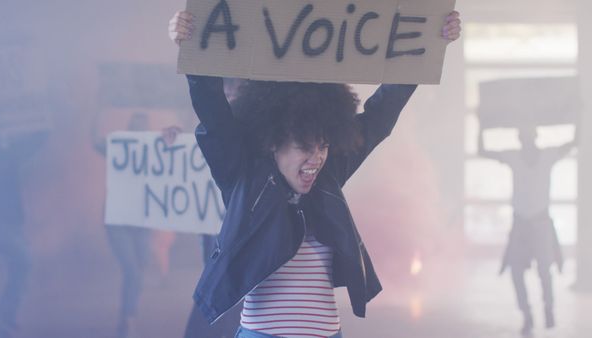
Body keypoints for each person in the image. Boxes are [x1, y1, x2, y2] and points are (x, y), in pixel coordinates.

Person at [170, 10, 461, 338]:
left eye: (324, 145)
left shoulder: (329, 175)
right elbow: (212, 110)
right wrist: (192, 43)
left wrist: (427, 46)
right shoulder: (243, 177)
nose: (317, 158)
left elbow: (382, 113)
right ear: (272, 142)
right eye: (305, 146)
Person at [478, 125, 577, 335]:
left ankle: (548, 309)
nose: (526, 140)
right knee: (518, 272)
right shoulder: (514, 157)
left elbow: (574, 142)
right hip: (522, 224)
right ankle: (528, 314)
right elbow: (482, 151)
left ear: (534, 137)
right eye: (524, 136)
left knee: (544, 271)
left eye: (528, 136)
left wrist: (579, 115)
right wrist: (481, 125)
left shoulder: (547, 155)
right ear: (521, 139)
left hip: (539, 224)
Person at [0, 114, 48, 338]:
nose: (6, 137)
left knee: (22, 267)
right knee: (24, 261)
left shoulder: (9, 155)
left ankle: (6, 317)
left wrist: (44, 127)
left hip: (10, 222)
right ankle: (3, 312)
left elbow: (32, 146)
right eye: (1, 135)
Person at [92, 111, 157, 338]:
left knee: (140, 266)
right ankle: (128, 319)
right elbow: (95, 141)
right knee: (133, 271)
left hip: (140, 220)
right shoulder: (117, 147)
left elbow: (178, 154)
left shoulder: (154, 149)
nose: (139, 131)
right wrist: (96, 114)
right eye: (135, 127)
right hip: (118, 220)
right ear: (129, 130)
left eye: (143, 127)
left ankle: (127, 317)